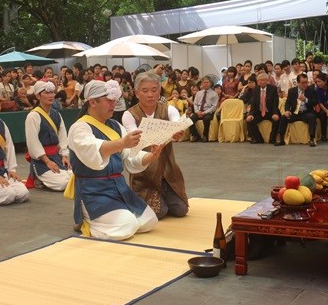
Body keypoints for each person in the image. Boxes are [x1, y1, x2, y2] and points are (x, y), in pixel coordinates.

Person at [67, 80, 160, 241]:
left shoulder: (115, 125)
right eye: (108, 100)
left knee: (149, 221)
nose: (113, 105)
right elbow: (94, 150)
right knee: (127, 226)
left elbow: (130, 156)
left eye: (114, 101)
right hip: (94, 189)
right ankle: (88, 219)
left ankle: (113, 217)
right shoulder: (80, 127)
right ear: (92, 102)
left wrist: (150, 156)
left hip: (119, 187)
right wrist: (122, 143)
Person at [122, 72, 188, 220]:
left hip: (168, 170)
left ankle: (165, 193)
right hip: (144, 174)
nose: (150, 94)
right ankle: (144, 197)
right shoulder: (129, 115)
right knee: (160, 213)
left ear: (159, 91)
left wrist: (177, 131)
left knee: (181, 210)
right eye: (145, 91)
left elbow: (177, 123)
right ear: (137, 93)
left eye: (154, 90)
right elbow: (135, 137)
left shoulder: (169, 109)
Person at [24, 81, 72, 191]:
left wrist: (64, 155)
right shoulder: (33, 116)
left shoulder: (56, 114)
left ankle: (45, 180)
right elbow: (33, 143)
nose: (51, 96)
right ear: (37, 96)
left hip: (57, 157)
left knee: (75, 177)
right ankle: (39, 177)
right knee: (63, 183)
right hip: (42, 161)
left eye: (52, 93)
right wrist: (47, 162)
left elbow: (63, 136)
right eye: (46, 93)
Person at [276, 74, 319, 147]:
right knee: (283, 117)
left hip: (306, 112)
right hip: (295, 113)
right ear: (298, 83)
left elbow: (315, 102)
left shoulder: (311, 90)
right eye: (303, 83)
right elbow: (288, 102)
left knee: (312, 117)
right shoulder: (292, 91)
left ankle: (312, 139)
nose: (305, 84)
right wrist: (287, 110)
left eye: (306, 82)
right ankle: (281, 139)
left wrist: (305, 99)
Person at [246, 73, 279, 144]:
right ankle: (258, 139)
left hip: (270, 112)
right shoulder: (255, 90)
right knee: (250, 120)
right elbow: (253, 104)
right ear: (258, 81)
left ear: (267, 81)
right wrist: (251, 114)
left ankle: (272, 139)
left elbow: (275, 103)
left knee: (277, 120)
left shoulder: (273, 88)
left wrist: (275, 113)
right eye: (260, 80)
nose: (262, 82)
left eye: (264, 80)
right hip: (259, 112)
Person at [188, 77, 218, 142]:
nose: (205, 84)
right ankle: (196, 135)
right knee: (190, 120)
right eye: (204, 82)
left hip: (208, 112)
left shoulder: (214, 94)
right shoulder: (198, 93)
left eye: (207, 82)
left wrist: (204, 112)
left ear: (210, 84)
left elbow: (214, 107)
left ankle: (205, 135)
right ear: (202, 84)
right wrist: (197, 111)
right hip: (198, 111)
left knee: (206, 119)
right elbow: (195, 104)